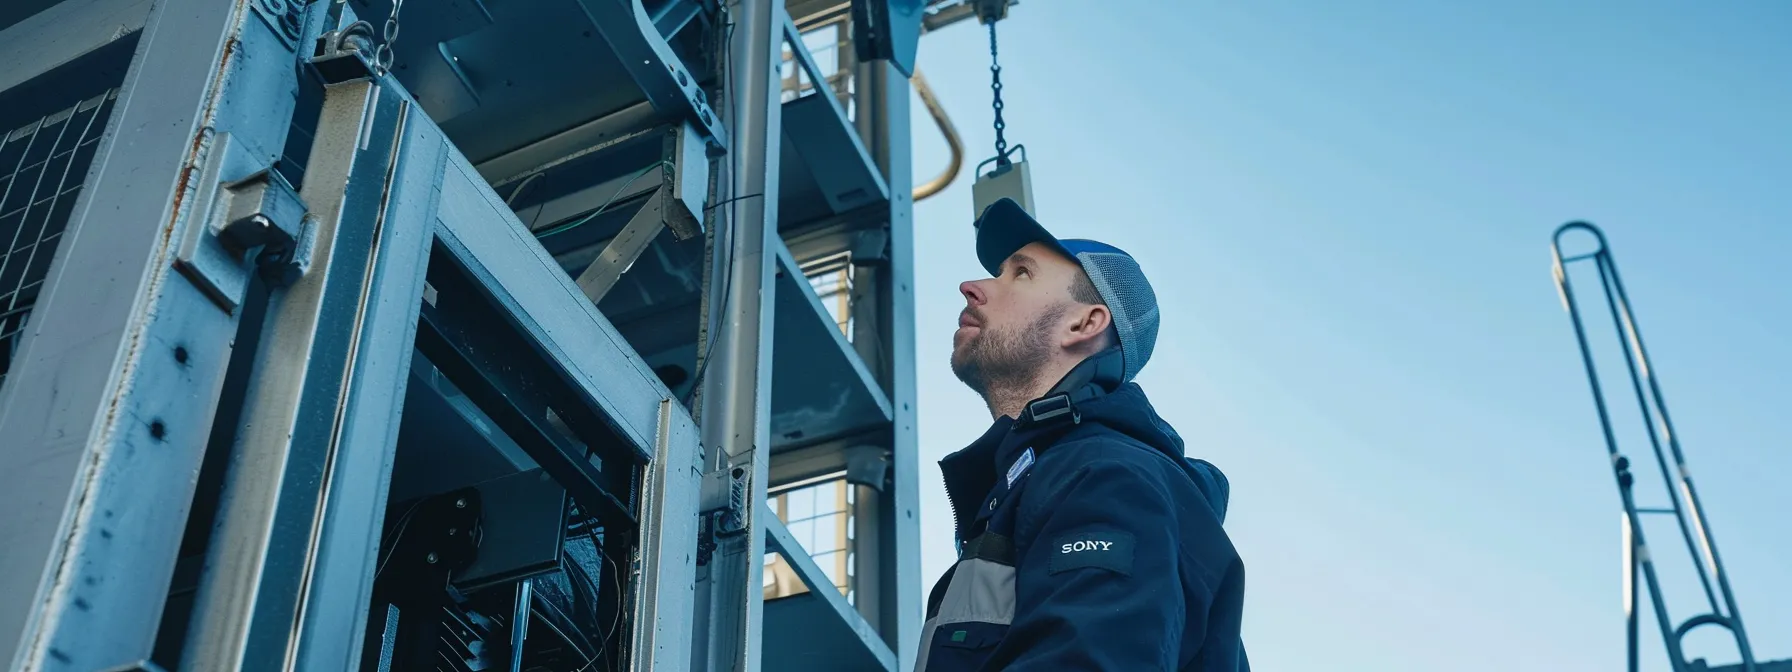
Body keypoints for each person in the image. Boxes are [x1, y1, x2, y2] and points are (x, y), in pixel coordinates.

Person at [916, 198, 1248, 671]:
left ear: (1085, 323)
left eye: (1021, 273)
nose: (971, 287)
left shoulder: (1106, 476)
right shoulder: (1036, 485)